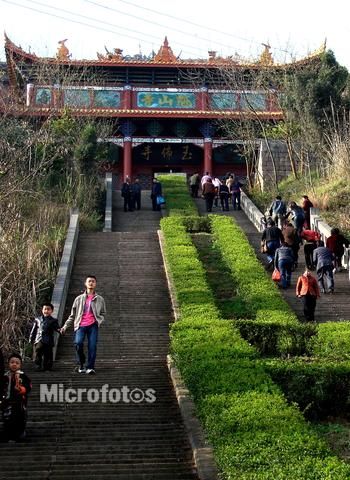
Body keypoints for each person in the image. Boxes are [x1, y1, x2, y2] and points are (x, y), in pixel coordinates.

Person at [60, 275, 106, 374]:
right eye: (89, 281)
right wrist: (65, 326)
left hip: (93, 325)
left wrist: (99, 320)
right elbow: (72, 315)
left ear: (95, 284)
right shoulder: (79, 299)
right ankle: (81, 363)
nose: (91, 283)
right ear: (85, 283)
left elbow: (103, 313)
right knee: (78, 343)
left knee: (92, 346)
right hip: (80, 325)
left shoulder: (100, 299)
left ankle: (90, 367)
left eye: (93, 281)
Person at [1, 353, 32, 442]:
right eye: (12, 362)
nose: (14, 364)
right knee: (7, 419)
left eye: (17, 363)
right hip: (6, 402)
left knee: (19, 419)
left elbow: (28, 386)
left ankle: (19, 434)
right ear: (8, 363)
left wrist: (23, 389)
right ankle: (9, 435)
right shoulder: (5, 376)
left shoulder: (23, 376)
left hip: (19, 403)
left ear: (20, 365)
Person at [29, 303, 60, 371]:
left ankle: (48, 367)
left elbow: (56, 328)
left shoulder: (53, 320)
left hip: (48, 339)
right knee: (37, 351)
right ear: (42, 310)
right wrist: (31, 338)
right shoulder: (37, 319)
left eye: (48, 309)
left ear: (52, 311)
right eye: (45, 309)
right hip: (39, 338)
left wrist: (60, 330)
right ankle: (38, 365)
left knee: (48, 353)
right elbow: (34, 329)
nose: (46, 311)